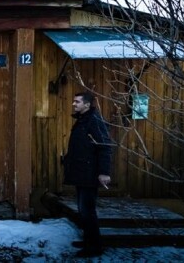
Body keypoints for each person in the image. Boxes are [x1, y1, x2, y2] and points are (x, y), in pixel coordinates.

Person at [63, 91, 113, 258]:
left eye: (77, 102)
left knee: (87, 210)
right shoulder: (83, 120)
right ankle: (89, 241)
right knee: (82, 209)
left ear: (87, 104)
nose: (74, 104)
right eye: (74, 101)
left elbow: (105, 146)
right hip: (81, 172)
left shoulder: (94, 121)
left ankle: (94, 247)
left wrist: (104, 172)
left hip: (89, 174)